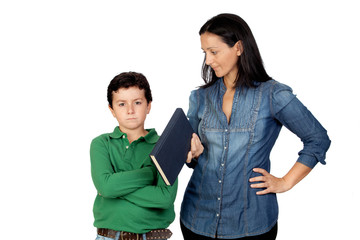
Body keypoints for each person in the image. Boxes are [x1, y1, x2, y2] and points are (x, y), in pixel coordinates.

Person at [180, 13, 331, 240]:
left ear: (238, 47)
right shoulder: (199, 98)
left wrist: (285, 182)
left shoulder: (273, 95)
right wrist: (192, 154)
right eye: (204, 53)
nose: (208, 61)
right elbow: (189, 157)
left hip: (252, 225)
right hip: (197, 220)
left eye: (214, 51)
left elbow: (318, 138)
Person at [90, 72, 177, 240]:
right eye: (122, 104)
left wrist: (114, 188)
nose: (130, 110)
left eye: (137, 102)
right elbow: (105, 187)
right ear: (112, 109)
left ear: (148, 105)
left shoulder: (165, 145)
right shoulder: (101, 144)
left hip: (153, 236)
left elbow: (165, 198)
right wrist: (148, 174)